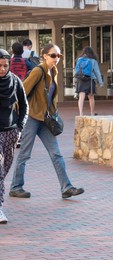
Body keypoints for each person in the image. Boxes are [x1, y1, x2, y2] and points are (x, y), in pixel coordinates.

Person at [9, 43, 84, 199]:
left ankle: (66, 187)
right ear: (44, 56)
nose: (57, 58)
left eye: (59, 56)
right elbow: (22, 92)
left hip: (45, 119)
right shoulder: (38, 71)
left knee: (56, 154)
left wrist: (53, 112)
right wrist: (18, 115)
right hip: (32, 118)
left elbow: (50, 97)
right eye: (53, 55)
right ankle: (16, 187)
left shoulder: (54, 71)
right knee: (24, 154)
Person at [0, 49, 29, 223]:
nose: (2, 69)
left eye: (5, 65)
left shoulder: (15, 81)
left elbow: (25, 106)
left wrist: (19, 128)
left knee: (4, 171)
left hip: (11, 132)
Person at [74, 46, 104, 116]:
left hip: (80, 79)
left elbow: (76, 71)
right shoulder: (93, 61)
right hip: (90, 80)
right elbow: (97, 72)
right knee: (91, 97)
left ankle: (81, 113)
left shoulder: (79, 60)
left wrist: (75, 81)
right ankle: (92, 113)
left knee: (81, 97)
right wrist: (101, 83)